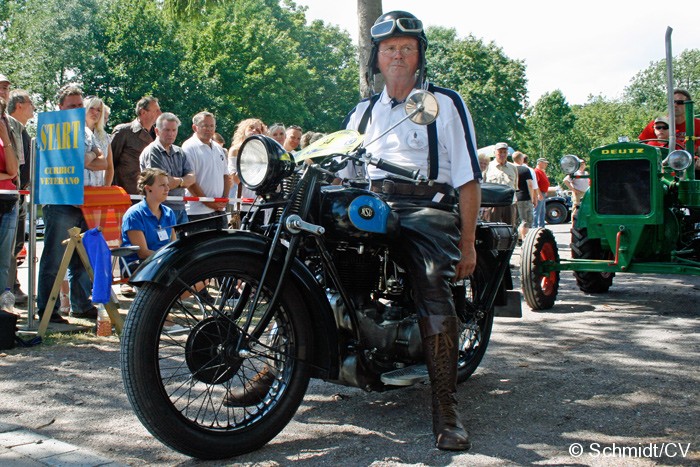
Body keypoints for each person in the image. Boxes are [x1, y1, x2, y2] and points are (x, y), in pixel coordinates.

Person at [341, 10, 480, 451]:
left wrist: (469, 242)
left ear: (419, 56)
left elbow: (467, 178)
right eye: (389, 49)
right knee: (312, 250)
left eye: (406, 48)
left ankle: (445, 407)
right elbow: (343, 169)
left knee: (430, 284)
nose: (397, 55)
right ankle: (279, 369)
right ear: (376, 59)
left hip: (425, 208)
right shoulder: (363, 111)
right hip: (372, 204)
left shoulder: (445, 104)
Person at [37, 84, 107, 323]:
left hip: (86, 202)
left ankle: (80, 305)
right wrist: (89, 157)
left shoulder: (87, 132)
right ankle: (47, 311)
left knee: (82, 257)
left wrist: (85, 158)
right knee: (54, 257)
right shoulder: (53, 129)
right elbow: (70, 161)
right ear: (60, 107)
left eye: (80, 105)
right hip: (60, 202)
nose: (77, 110)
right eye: (72, 106)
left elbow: (103, 163)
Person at [139, 112, 194, 225]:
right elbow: (160, 182)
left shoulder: (180, 151)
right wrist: (183, 181)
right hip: (160, 208)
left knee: (182, 243)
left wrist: (177, 181)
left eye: (174, 130)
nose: (171, 134)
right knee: (164, 242)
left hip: (180, 207)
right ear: (157, 131)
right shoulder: (152, 151)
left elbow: (192, 178)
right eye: (167, 130)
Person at [6, 89, 34, 303]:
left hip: (19, 195)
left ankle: (12, 286)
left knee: (16, 245)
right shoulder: (7, 126)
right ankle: (8, 288)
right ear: (19, 105)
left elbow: (23, 163)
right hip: (8, 194)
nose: (34, 107)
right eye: (31, 103)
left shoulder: (20, 129)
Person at [120, 168, 177, 270]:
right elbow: (142, 253)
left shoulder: (169, 213)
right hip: (139, 266)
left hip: (163, 262)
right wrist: (168, 258)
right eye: (162, 185)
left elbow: (174, 244)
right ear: (148, 188)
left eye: (167, 185)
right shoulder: (134, 214)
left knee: (199, 276)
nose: (167, 189)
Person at [183, 112, 231, 229]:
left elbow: (226, 176)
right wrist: (208, 203)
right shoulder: (188, 147)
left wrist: (223, 200)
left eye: (211, 126)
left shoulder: (218, 148)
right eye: (205, 126)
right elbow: (190, 181)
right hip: (197, 213)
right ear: (195, 127)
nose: (209, 129)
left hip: (220, 211)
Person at [111, 96, 161, 195]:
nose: (160, 114)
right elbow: (110, 162)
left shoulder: (159, 135)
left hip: (151, 194)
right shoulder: (124, 131)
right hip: (127, 194)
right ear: (143, 112)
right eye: (156, 111)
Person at [639, 89, 700, 158]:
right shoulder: (657, 124)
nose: (675, 105)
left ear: (688, 104)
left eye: (679, 102)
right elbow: (641, 147)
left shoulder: (697, 124)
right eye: (672, 102)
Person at [0, 97, 19, 312]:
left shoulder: (5, 138)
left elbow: (13, 171)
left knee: (4, 260)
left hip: (8, 201)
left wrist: (5, 137)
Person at [483, 142, 517, 227]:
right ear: (495, 153)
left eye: (504, 152)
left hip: (509, 203)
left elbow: (515, 185)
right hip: (493, 204)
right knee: (492, 229)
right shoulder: (487, 166)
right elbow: (482, 186)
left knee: (510, 229)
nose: (502, 154)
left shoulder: (513, 168)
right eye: (500, 152)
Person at [84, 96, 114, 186]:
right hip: (78, 189)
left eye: (99, 110)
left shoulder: (105, 136)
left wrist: (106, 188)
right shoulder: (75, 132)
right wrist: (94, 156)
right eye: (91, 108)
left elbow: (108, 166)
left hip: (98, 188)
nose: (95, 112)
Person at [512, 151, 536, 241]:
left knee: (515, 220)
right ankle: (524, 239)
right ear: (521, 159)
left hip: (513, 197)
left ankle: (516, 238)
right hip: (524, 197)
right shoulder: (525, 170)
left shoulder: (510, 169)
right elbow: (530, 184)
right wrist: (532, 197)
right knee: (525, 220)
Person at [533, 157, 550, 228]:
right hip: (539, 193)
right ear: (540, 163)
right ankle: (535, 226)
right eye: (545, 163)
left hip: (543, 193)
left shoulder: (542, 171)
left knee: (542, 211)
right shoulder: (536, 171)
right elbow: (536, 184)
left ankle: (541, 226)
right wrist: (539, 193)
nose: (546, 165)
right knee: (537, 211)